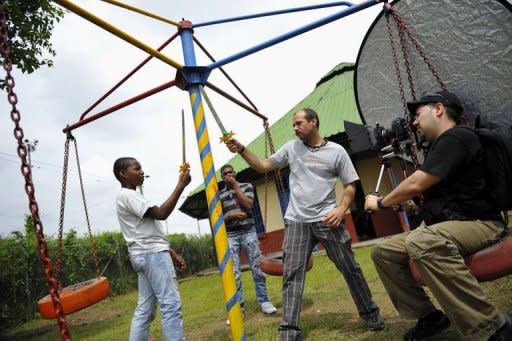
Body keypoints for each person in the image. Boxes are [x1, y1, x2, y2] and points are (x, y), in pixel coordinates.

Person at [226, 108, 384, 341]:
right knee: (292, 275)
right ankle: (289, 331)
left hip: (327, 219)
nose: (295, 127)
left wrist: (341, 209)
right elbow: (263, 166)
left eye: (299, 123)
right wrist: (241, 150)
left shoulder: (336, 152)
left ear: (313, 122)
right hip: (297, 221)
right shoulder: (292, 148)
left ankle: (371, 314)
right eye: (294, 124)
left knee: (350, 267)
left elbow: (351, 185)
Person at [365, 90, 512, 341]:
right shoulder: (439, 147)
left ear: (439, 109)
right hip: (452, 224)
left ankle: (492, 328)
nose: (413, 121)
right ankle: (429, 317)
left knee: (422, 241)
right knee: (383, 252)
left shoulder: (457, 137)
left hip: (481, 223)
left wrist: (380, 202)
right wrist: (415, 208)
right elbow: (447, 196)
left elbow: (416, 183)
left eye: (418, 113)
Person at [113, 157, 191, 341]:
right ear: (123, 174)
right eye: (136, 168)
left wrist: (170, 252)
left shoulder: (131, 195)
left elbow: (147, 231)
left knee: (145, 310)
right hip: (152, 256)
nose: (141, 172)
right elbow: (161, 214)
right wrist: (181, 185)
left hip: (143, 256)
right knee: (170, 304)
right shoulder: (128, 195)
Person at [219, 164, 277, 319]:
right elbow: (217, 221)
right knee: (234, 272)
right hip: (231, 235)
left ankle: (264, 301)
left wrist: (235, 187)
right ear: (222, 177)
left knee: (257, 267)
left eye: (231, 172)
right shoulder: (219, 195)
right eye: (225, 174)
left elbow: (249, 205)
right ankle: (239, 308)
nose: (229, 175)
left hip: (249, 232)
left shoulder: (246, 186)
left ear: (235, 173)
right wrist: (230, 216)